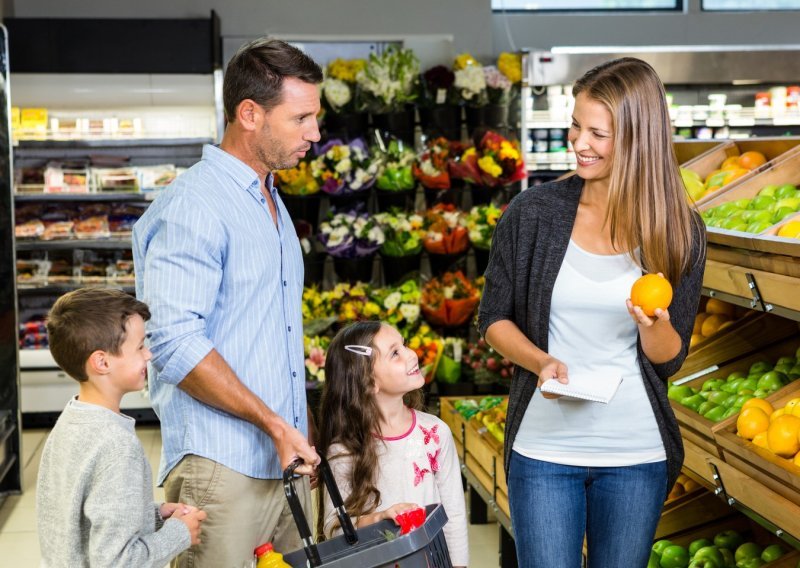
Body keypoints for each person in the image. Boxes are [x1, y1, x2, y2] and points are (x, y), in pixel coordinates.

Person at [477, 57, 707, 568]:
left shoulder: (678, 231)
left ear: (637, 138)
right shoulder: (532, 214)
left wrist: (656, 326)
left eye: (597, 133)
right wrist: (539, 361)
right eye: (576, 125)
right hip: (544, 451)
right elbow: (492, 317)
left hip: (635, 453)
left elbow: (670, 360)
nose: (579, 143)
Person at [132, 38, 323, 567]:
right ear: (250, 114)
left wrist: (299, 428)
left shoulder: (270, 198)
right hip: (222, 466)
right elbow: (173, 344)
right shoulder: (195, 205)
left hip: (283, 457)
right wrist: (276, 424)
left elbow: (274, 331)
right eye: (301, 118)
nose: (315, 133)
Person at [36, 288, 207, 567]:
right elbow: (117, 562)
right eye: (139, 346)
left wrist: (153, 514)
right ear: (102, 362)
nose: (149, 354)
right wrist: (179, 532)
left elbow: (81, 515)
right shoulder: (117, 446)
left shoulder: (70, 420)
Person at [316, 321, 468, 568]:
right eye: (395, 353)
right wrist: (379, 519)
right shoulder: (344, 451)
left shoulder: (435, 433)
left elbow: (454, 515)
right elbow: (334, 529)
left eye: (404, 345)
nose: (412, 355)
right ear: (368, 382)